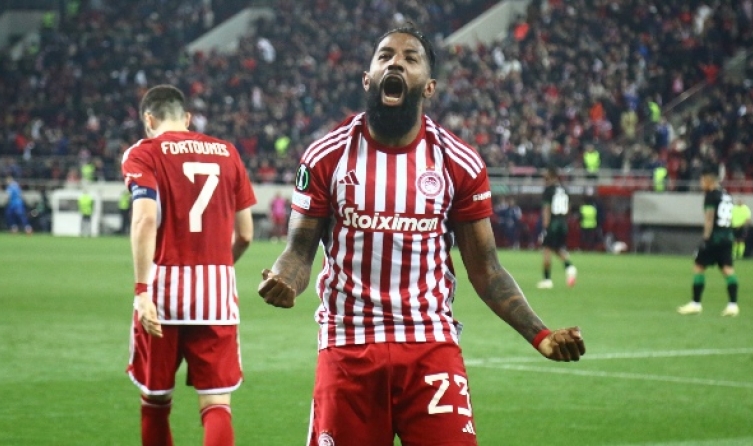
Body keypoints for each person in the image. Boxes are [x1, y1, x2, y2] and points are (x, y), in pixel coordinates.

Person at [257, 26, 585, 446]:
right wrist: (284, 280)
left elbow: (486, 270)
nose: (395, 62)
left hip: (430, 348)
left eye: (410, 58)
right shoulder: (326, 156)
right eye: (384, 56)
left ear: (429, 87)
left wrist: (540, 334)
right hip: (348, 346)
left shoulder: (459, 162)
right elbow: (298, 252)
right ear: (368, 78)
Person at [121, 84, 256, 446]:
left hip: (162, 294)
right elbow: (246, 234)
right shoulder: (227, 152)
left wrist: (141, 291)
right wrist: (219, 269)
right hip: (216, 297)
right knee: (216, 405)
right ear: (187, 118)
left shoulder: (144, 153)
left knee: (155, 402)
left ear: (149, 119)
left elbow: (145, 219)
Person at [678, 165, 739, 316]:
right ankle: (733, 305)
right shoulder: (727, 195)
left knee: (699, 267)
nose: (700, 184)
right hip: (727, 237)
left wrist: (705, 239)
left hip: (715, 238)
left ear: (707, 180)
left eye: (701, 180)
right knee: (728, 270)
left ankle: (695, 304)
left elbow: (709, 219)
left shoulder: (711, 196)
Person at [537, 167, 577, 289]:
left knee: (547, 249)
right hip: (563, 223)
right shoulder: (564, 189)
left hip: (553, 223)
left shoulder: (548, 190)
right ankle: (570, 267)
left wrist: (545, 227)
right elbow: (568, 208)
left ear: (551, 175)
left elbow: (546, 209)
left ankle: (547, 280)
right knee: (557, 248)